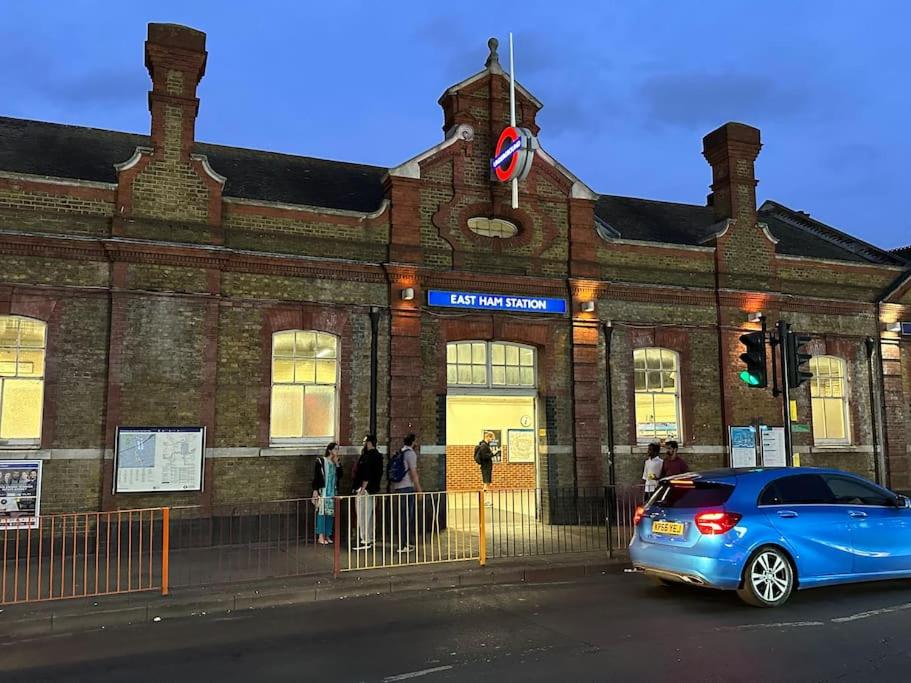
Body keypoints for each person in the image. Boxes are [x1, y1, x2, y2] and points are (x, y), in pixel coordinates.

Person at [389, 433, 422, 554]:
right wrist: (419, 489)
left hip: (398, 487)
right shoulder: (411, 454)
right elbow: (413, 473)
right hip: (407, 488)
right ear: (413, 441)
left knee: (402, 516)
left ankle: (405, 543)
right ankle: (402, 545)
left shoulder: (400, 452)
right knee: (406, 517)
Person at [353, 433, 384, 550]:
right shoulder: (379, 456)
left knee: (363, 515)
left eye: (365, 442)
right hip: (373, 490)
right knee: (369, 515)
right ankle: (369, 538)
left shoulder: (367, 457)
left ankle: (365, 540)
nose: (364, 444)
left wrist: (362, 489)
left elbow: (366, 474)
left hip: (364, 490)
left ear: (369, 443)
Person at [311, 442, 343, 545]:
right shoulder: (321, 461)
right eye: (335, 449)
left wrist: (337, 463)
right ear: (330, 450)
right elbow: (317, 477)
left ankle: (328, 534)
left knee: (330, 513)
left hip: (332, 491)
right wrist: (315, 490)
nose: (337, 451)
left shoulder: (336, 462)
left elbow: (340, 475)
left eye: (338, 449)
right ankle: (321, 535)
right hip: (324, 491)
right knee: (322, 512)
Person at [475, 431, 495, 506]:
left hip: (486, 467)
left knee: (487, 483)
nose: (492, 440)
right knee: (486, 484)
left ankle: (485, 500)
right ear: (487, 437)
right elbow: (484, 456)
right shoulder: (484, 446)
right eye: (491, 438)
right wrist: (493, 453)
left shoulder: (485, 445)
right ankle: (484, 500)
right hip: (485, 467)